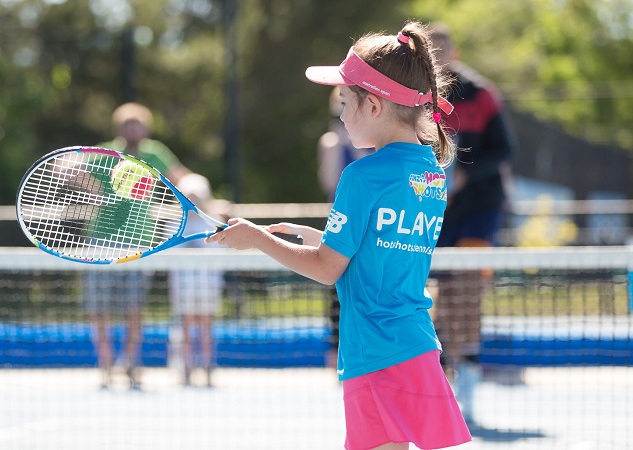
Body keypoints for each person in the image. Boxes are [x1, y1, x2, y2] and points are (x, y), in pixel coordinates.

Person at [207, 21, 471, 450]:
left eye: (345, 103)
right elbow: (372, 251)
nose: (340, 115)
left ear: (373, 106)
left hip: (374, 350)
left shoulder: (361, 175)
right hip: (415, 345)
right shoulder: (430, 173)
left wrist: (257, 238)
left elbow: (330, 270)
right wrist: (317, 236)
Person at [429, 23, 516, 426]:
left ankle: (469, 383)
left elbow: (505, 151)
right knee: (439, 297)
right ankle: (443, 377)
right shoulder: (414, 97)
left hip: (481, 208)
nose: (438, 56)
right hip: (435, 211)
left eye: (443, 49)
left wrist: (464, 174)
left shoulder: (482, 94)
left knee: (467, 292)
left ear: (455, 53)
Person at [84, 102, 189, 391]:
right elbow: (73, 171)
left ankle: (130, 363)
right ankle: (105, 365)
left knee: (134, 309)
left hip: (138, 243)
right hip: (102, 241)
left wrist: (205, 197)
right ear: (119, 128)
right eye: (127, 123)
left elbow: (184, 179)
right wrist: (84, 182)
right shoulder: (104, 151)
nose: (133, 128)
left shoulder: (156, 153)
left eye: (137, 123)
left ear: (146, 127)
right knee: (99, 309)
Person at [317, 88, 375, 369]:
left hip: (370, 230)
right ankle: (335, 358)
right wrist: (338, 144)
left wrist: (353, 146)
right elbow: (330, 182)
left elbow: (372, 174)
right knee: (335, 293)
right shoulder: (329, 142)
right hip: (341, 227)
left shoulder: (373, 143)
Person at [169, 173, 227, 388]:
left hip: (207, 286)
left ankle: (207, 365)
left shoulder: (214, 224)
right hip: (183, 286)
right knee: (185, 324)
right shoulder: (175, 225)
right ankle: (185, 366)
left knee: (205, 324)